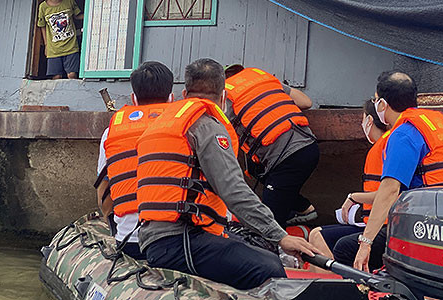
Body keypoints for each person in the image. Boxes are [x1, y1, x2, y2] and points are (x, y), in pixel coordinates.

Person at [137, 58, 320, 290]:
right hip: (180, 239)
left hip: (154, 237)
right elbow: (233, 190)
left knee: (251, 248)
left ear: (184, 94)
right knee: (270, 266)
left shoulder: (162, 124)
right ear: (223, 97)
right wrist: (280, 237)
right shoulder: (206, 125)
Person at [336, 71, 443, 272]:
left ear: (382, 105)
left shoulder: (403, 134)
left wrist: (366, 243)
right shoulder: (441, 126)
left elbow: (389, 191)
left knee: (344, 248)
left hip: (427, 231)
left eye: (376, 100)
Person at [94, 61, 175, 259]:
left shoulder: (111, 133)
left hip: (130, 242)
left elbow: (103, 191)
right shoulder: (185, 129)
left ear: (133, 98)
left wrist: (114, 227)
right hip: (176, 244)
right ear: (172, 98)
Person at [223, 64, 318, 226]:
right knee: (256, 170)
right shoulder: (266, 81)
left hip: (286, 159)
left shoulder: (227, 98)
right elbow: (306, 102)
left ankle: (286, 220)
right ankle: (303, 208)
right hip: (310, 147)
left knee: (267, 227)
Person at [309, 99, 389, 260]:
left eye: (363, 119)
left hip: (383, 228)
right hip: (376, 223)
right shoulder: (385, 144)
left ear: (370, 121)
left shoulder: (385, 147)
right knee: (317, 233)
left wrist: (354, 197)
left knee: (319, 237)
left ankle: (330, 284)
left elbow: (390, 192)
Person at [36, 0, 83, 79]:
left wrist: (92, 14)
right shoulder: (43, 7)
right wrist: (47, 45)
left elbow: (77, 15)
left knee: (72, 75)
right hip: (54, 50)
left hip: (71, 47)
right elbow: (42, 26)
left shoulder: (68, 0)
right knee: (56, 76)